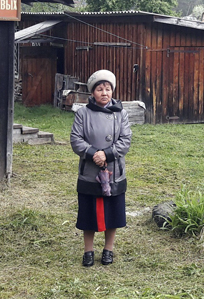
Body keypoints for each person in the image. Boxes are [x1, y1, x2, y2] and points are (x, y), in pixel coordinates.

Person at [70, 69, 132, 267]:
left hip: (113, 171)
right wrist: (93, 154)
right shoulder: (83, 113)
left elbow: (125, 140)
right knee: (88, 212)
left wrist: (107, 154)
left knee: (113, 213)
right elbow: (75, 139)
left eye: (108, 89)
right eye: (99, 89)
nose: (104, 93)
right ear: (92, 93)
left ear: (112, 91)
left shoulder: (121, 114)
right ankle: (88, 251)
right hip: (90, 171)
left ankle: (108, 249)